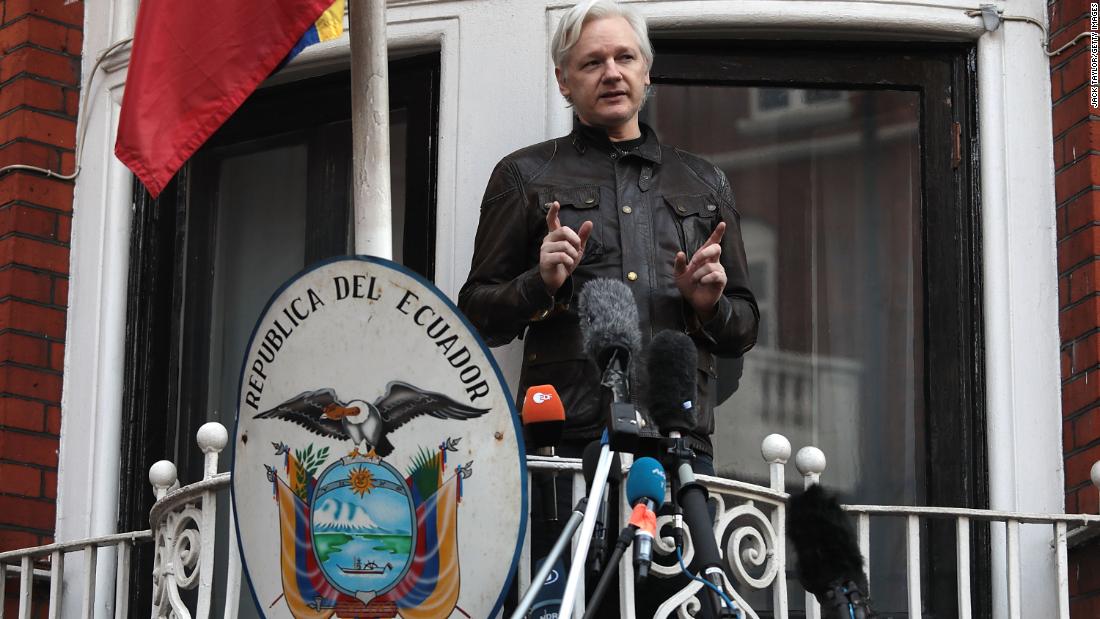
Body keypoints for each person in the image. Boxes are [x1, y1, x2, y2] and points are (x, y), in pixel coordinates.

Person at [458, 0, 758, 468]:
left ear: (647, 72)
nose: (612, 73)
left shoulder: (704, 180)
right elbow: (476, 313)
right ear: (563, 80)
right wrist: (542, 283)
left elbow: (745, 327)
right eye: (593, 62)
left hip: (678, 438)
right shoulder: (524, 174)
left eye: (625, 58)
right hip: (566, 441)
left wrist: (708, 306)